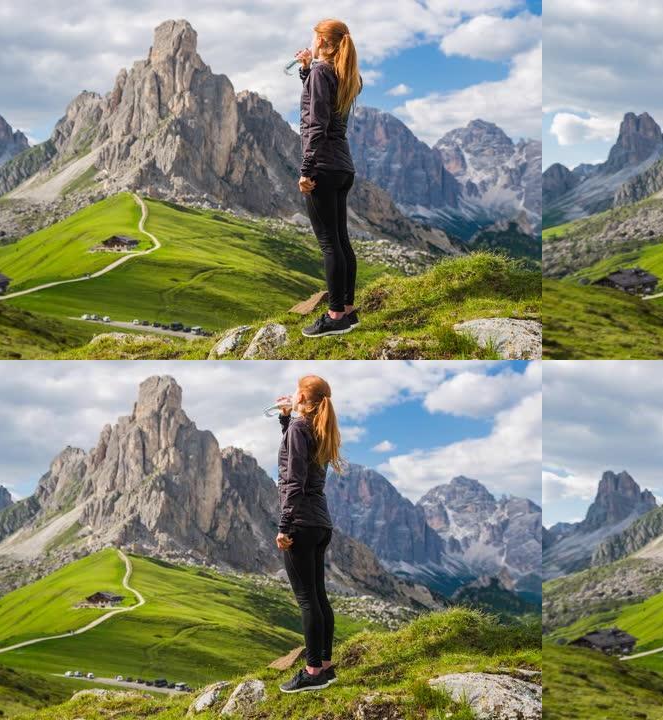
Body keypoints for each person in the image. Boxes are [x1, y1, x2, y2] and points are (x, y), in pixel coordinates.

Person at [275, 375, 346, 693]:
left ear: (303, 395)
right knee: (318, 596)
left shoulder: (300, 428)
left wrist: (284, 526)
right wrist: (286, 419)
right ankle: (327, 667)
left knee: (306, 600)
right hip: (321, 524)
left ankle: (312, 671)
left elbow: (294, 479)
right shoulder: (317, 427)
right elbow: (296, 456)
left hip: (301, 523)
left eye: (295, 390)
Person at [294, 19, 363, 338]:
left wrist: (307, 170)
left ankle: (335, 315)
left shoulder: (324, 72)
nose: (311, 41)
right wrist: (307, 69)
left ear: (326, 43)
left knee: (328, 243)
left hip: (322, 165)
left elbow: (317, 123)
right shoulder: (348, 75)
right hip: (343, 166)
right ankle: (348, 311)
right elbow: (324, 101)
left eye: (315, 38)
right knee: (340, 239)